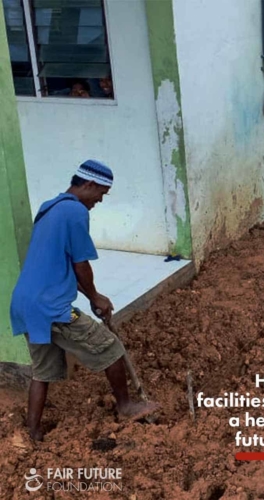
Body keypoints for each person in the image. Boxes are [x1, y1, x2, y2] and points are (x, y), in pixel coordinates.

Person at [10, 160, 159, 441]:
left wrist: (90, 297)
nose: (99, 201)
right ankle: (126, 406)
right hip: (51, 307)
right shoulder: (75, 211)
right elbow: (80, 265)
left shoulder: (49, 207)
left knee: (41, 373)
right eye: (100, 193)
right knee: (110, 347)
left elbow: (59, 264)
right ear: (88, 185)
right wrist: (95, 296)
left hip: (26, 304)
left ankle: (33, 433)